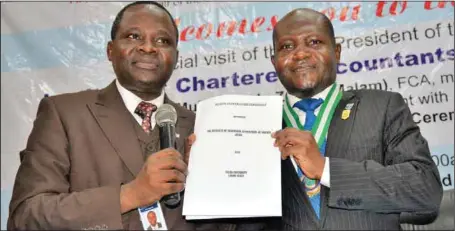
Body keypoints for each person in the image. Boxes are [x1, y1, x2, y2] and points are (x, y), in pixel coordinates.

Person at [6, 2, 231, 230]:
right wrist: (130, 195)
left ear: (176, 57)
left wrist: (208, 182)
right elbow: (26, 216)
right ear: (110, 50)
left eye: (163, 41)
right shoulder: (64, 113)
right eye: (134, 36)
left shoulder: (199, 125)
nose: (148, 47)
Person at [267, 8, 443, 229]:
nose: (300, 54)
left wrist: (326, 169)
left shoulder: (382, 107)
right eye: (287, 46)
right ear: (274, 61)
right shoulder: (254, 125)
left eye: (314, 42)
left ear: (336, 51)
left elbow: (425, 191)